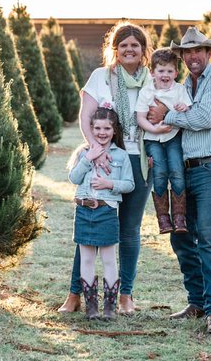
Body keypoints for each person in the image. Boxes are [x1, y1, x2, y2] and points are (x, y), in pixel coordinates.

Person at [56, 22, 153, 316]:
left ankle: (125, 296)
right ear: (115, 49)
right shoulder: (101, 77)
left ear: (143, 50)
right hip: (105, 159)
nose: (129, 50)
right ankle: (75, 295)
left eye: (135, 45)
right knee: (90, 228)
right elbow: (86, 117)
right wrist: (96, 152)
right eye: (123, 45)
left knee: (129, 230)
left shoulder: (152, 80)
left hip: (139, 160)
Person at [146, 26, 211, 334]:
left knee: (209, 238)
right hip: (183, 170)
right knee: (181, 235)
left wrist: (165, 115)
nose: (192, 56)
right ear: (182, 56)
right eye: (187, 52)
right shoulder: (182, 85)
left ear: (209, 53)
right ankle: (196, 302)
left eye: (198, 50)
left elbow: (203, 119)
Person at [68, 106, 134, 319]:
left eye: (107, 128)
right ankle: (92, 307)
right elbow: (74, 178)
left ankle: (109, 307)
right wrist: (89, 158)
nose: (102, 132)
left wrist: (109, 183)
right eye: (97, 128)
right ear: (91, 128)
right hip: (84, 211)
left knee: (108, 259)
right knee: (86, 259)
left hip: (106, 212)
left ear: (114, 131)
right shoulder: (83, 153)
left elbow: (129, 184)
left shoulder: (121, 156)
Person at [135, 48, 192, 234]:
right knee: (159, 174)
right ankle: (163, 218)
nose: (165, 75)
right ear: (152, 72)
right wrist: (154, 129)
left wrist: (183, 106)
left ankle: (179, 216)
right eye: (161, 71)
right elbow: (141, 117)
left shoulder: (179, 90)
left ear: (176, 73)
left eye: (169, 71)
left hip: (173, 137)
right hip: (153, 139)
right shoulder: (146, 92)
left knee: (176, 171)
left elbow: (188, 108)